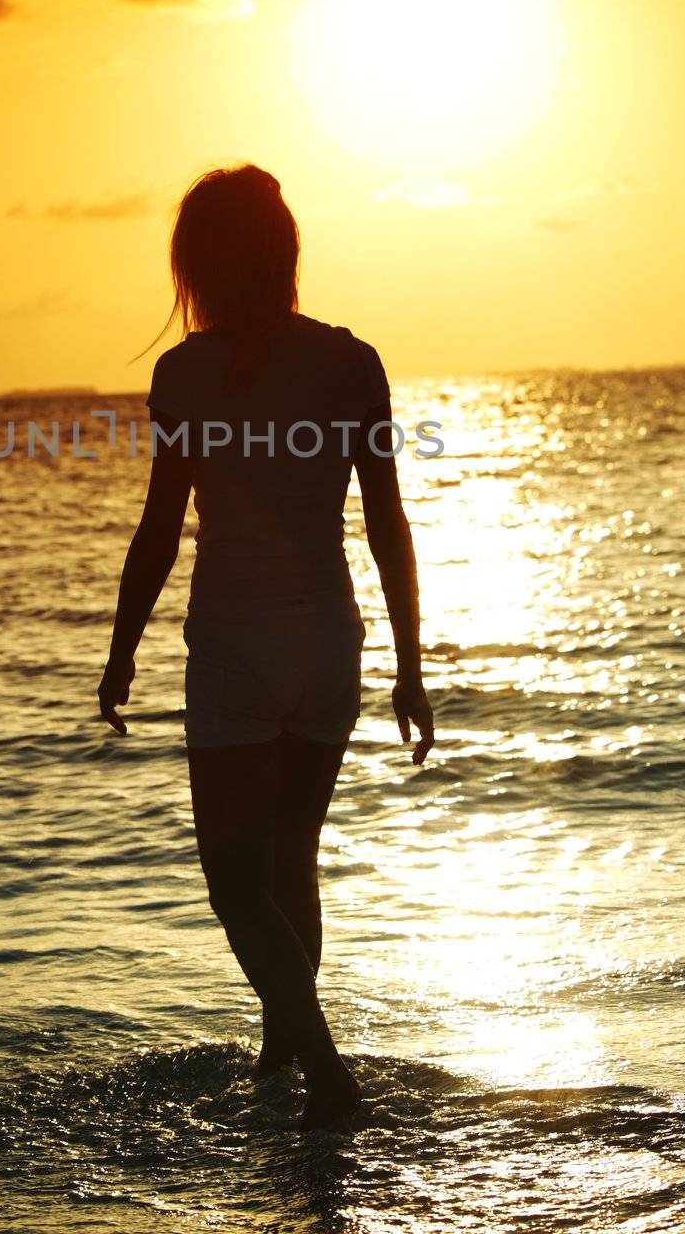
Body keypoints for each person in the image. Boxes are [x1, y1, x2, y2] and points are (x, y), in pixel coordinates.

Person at [97, 162, 434, 1131]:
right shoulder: (348, 361)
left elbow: (161, 530)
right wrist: (409, 667)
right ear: (284, 253)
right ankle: (281, 1052)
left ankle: (320, 1065)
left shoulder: (185, 372)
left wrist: (120, 652)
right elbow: (385, 524)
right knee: (290, 858)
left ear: (199, 262)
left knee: (231, 877)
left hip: (237, 651)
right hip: (329, 642)